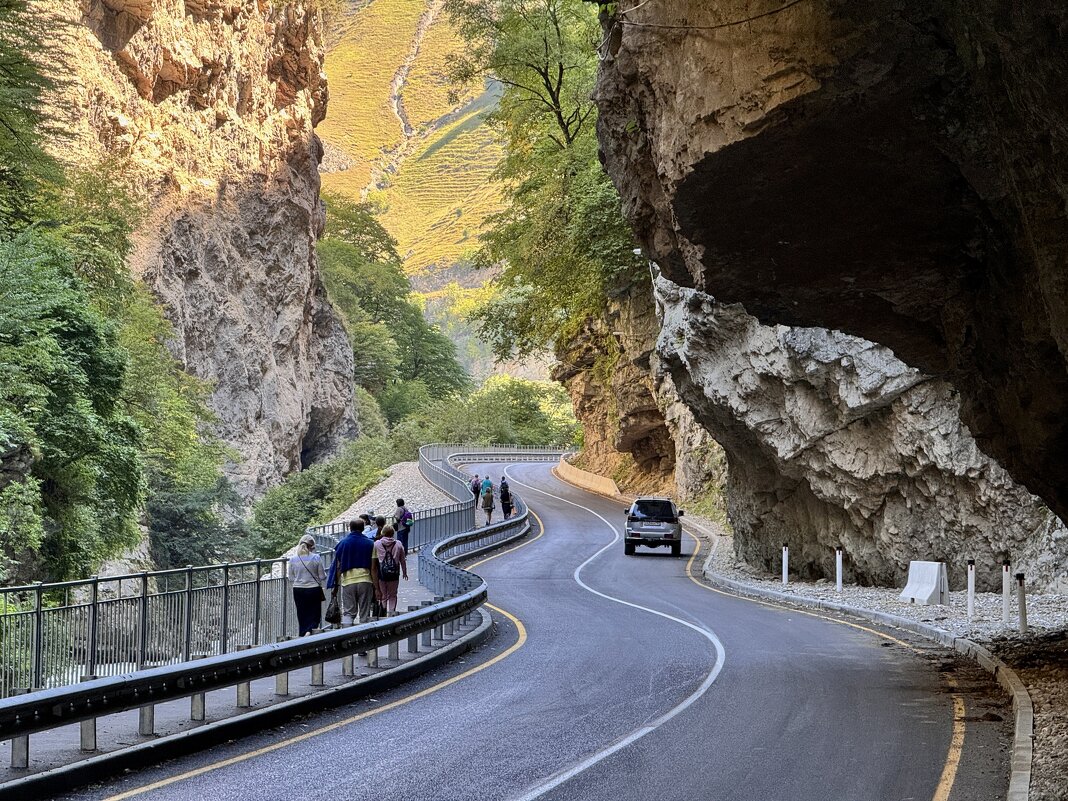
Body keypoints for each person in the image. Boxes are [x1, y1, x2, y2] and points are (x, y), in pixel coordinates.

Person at [326, 520, 377, 625]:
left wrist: (335, 587)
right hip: (365, 581)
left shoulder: (342, 544)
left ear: (350, 528)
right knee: (365, 613)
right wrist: (377, 587)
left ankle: (347, 636)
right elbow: (373, 568)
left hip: (348, 582)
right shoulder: (371, 544)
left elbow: (338, 567)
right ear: (363, 528)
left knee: (349, 613)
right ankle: (364, 637)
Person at [288, 534, 326, 635]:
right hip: (313, 589)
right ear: (311, 547)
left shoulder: (292, 559)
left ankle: (303, 633)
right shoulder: (316, 557)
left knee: (302, 614)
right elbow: (322, 576)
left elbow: (291, 578)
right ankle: (310, 631)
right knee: (314, 614)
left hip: (298, 589)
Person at [374, 524, 408, 616]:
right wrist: (404, 572)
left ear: (383, 533)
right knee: (392, 595)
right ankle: (392, 613)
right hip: (394, 573)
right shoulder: (398, 544)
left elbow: (374, 560)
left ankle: (383, 613)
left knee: (383, 596)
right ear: (393, 533)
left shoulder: (377, 544)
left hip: (382, 573)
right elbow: (402, 560)